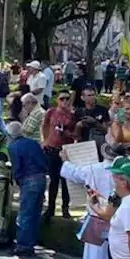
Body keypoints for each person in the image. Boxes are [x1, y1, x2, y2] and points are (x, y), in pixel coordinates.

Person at [7, 122, 48, 257]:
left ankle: (23, 245)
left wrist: (17, 181)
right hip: (40, 177)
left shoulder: (13, 147)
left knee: (25, 213)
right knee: (35, 212)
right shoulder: (33, 143)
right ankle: (30, 242)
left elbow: (17, 168)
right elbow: (43, 160)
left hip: (28, 179)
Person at [41, 89, 76, 220]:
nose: (65, 101)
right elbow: (44, 125)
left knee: (66, 181)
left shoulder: (72, 114)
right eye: (62, 99)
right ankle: (50, 209)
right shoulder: (51, 112)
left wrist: (67, 133)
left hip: (66, 149)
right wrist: (45, 140)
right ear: (57, 100)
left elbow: (76, 132)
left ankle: (65, 209)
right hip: (52, 148)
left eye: (67, 98)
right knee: (53, 180)